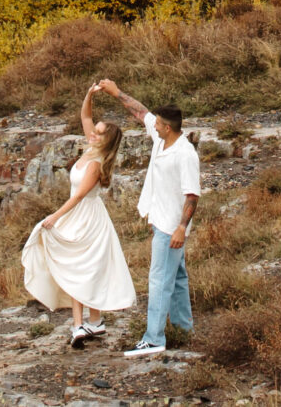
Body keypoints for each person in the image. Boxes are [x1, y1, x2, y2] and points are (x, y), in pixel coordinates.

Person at [21, 82, 135, 348]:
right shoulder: (92, 149)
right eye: (94, 132)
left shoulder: (96, 163)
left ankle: (79, 325)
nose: (92, 134)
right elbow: (85, 116)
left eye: (98, 133)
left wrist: (54, 217)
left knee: (80, 267)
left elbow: (79, 196)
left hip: (88, 218)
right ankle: (92, 322)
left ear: (105, 140)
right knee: (80, 267)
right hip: (80, 214)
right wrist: (88, 95)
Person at [93, 78, 198, 356]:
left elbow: (192, 196)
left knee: (159, 279)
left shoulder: (185, 154)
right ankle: (184, 329)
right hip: (160, 220)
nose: (155, 125)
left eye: (159, 123)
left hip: (170, 227)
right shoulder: (161, 139)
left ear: (169, 127)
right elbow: (141, 112)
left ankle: (154, 338)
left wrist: (180, 229)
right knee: (176, 278)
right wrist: (117, 93)